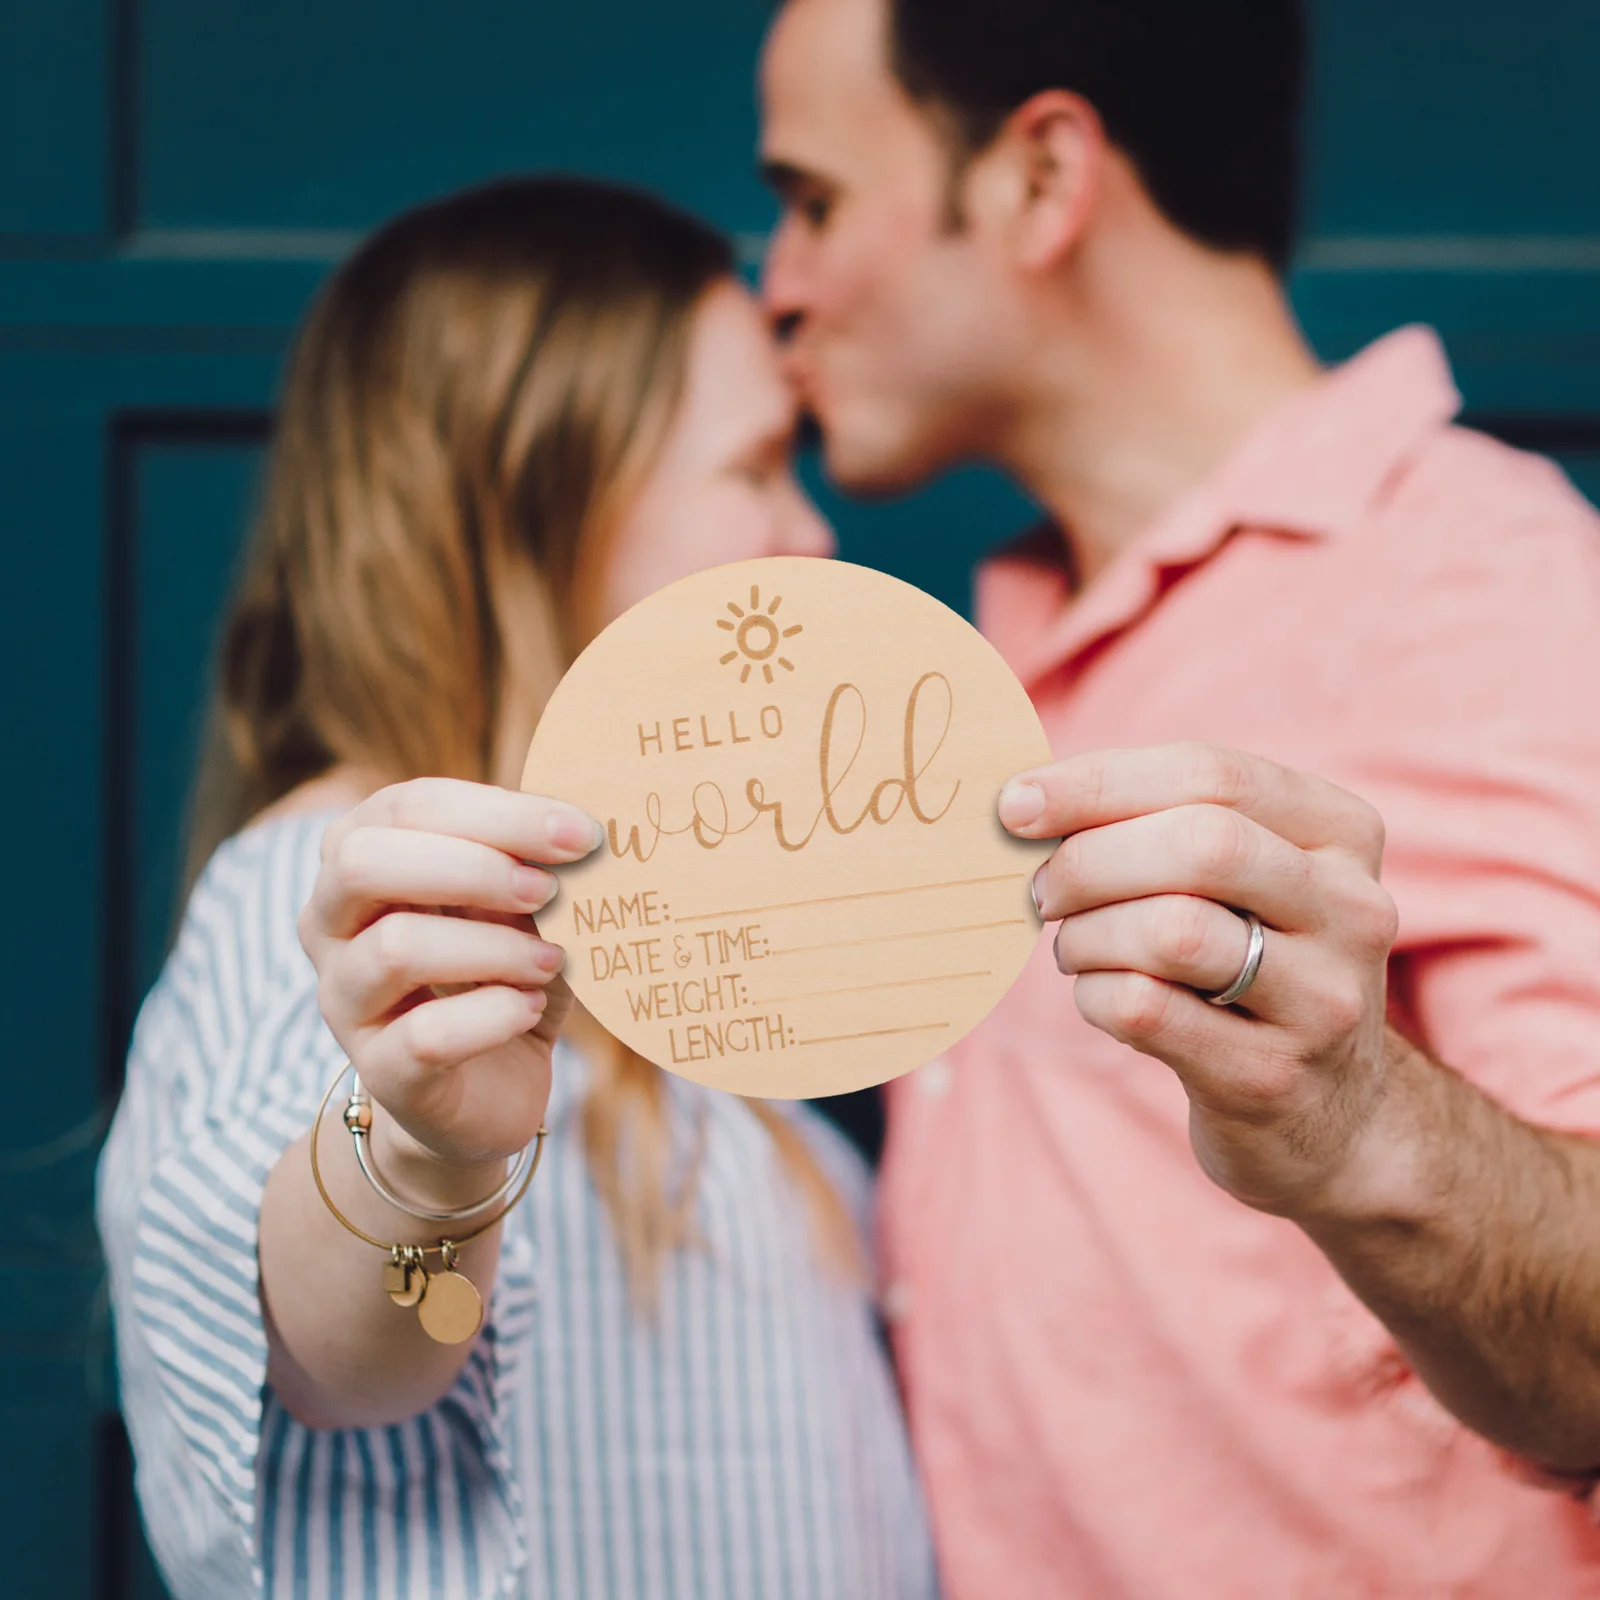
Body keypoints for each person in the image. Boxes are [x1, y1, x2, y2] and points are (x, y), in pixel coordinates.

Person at [759, 0, 1600, 1594]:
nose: (775, 291)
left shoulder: (1483, 590)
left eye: (814, 203)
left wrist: (1357, 1121)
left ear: (1039, 178)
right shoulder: (983, 647)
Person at [97, 176, 936, 1600]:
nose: (811, 534)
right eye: (751, 468)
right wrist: (426, 1156)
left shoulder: (666, 934)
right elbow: (329, 1352)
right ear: (532, 504)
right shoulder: (345, 904)